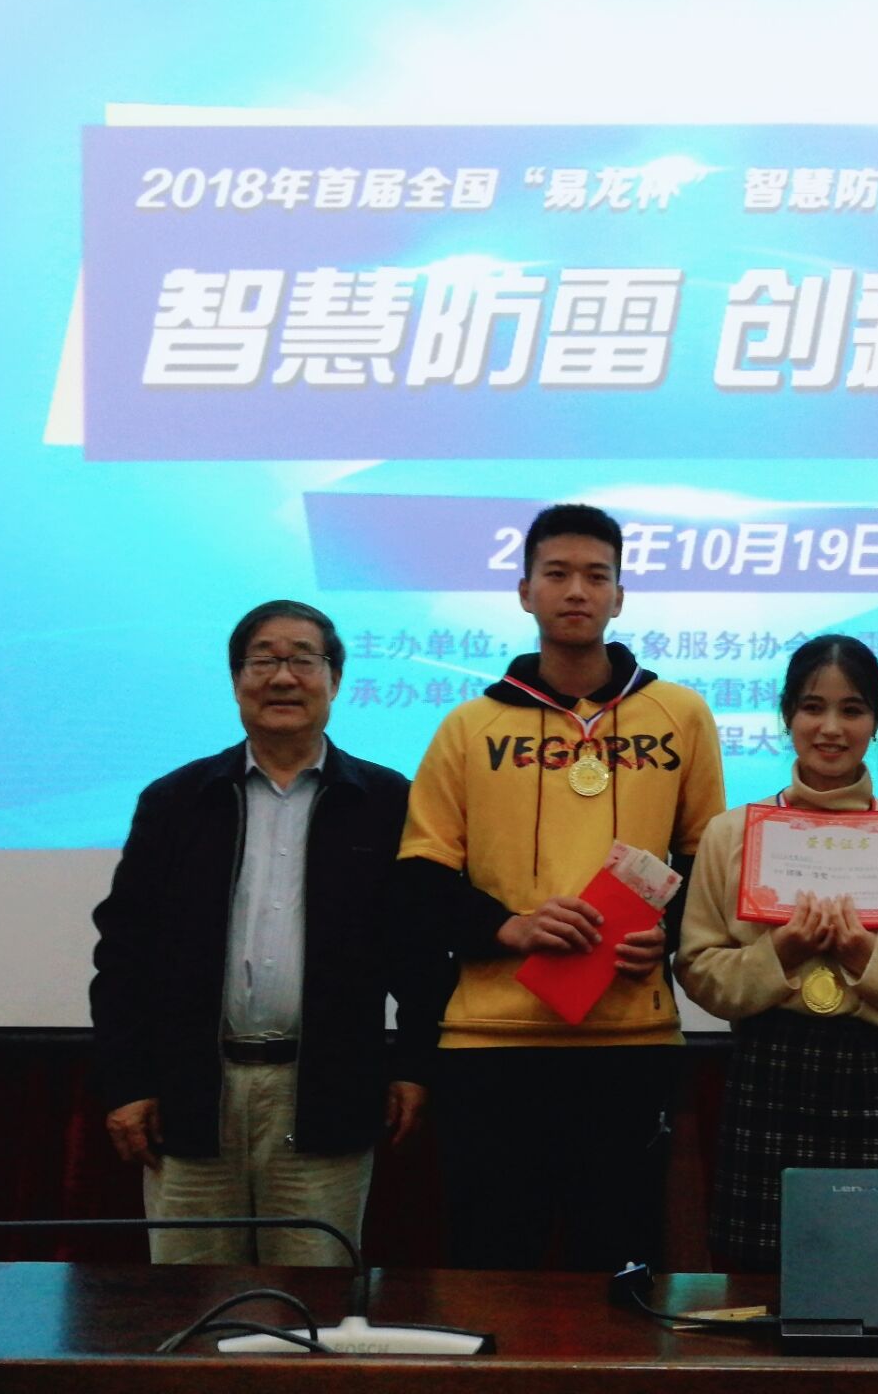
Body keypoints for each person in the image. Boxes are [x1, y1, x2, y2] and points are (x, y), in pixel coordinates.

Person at [399, 503, 725, 1271]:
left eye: (596, 576)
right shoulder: (468, 728)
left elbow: (706, 863)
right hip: (490, 1042)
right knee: (488, 1267)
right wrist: (508, 927)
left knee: (618, 1269)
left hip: (631, 1041)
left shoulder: (680, 715)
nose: (577, 590)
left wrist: (665, 938)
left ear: (619, 596)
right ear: (525, 592)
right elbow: (419, 879)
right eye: (557, 574)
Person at [90, 600, 433, 1265]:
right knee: (191, 1304)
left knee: (313, 1299)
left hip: (325, 1094)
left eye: (303, 659)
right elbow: (123, 955)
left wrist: (414, 1067)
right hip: (192, 1096)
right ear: (235, 680)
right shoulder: (176, 801)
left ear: (335, 679)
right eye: (263, 661)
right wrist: (127, 1083)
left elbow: (420, 953)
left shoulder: (388, 802)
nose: (282, 677)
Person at [677, 636, 878, 1271]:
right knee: (756, 1282)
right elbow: (697, 970)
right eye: (812, 707)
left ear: (877, 722)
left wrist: (864, 955)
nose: (831, 728)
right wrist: (783, 949)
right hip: (768, 1067)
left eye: (852, 710)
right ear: (787, 715)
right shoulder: (730, 833)